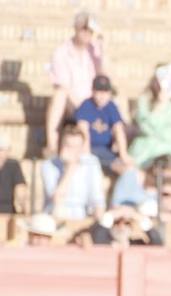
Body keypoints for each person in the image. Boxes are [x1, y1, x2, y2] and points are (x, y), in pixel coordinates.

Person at [45, 11, 109, 155]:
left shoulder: (95, 51)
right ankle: (52, 144)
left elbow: (105, 79)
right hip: (72, 102)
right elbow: (64, 86)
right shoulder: (61, 52)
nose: (87, 33)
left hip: (95, 99)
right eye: (84, 28)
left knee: (117, 97)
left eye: (90, 30)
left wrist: (103, 49)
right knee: (59, 95)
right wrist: (85, 107)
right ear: (76, 28)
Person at [130, 66, 171, 170]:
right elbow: (146, 127)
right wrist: (159, 106)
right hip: (147, 150)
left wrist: (161, 135)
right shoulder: (144, 101)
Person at [40, 123, 105, 223]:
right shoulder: (48, 165)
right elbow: (56, 198)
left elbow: (97, 199)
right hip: (54, 215)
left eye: (76, 147)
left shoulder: (91, 163)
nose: (72, 151)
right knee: (59, 210)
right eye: (68, 146)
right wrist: (70, 168)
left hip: (81, 214)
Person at [74, 74, 131, 175]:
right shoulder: (86, 105)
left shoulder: (111, 106)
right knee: (121, 169)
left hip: (106, 149)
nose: (102, 96)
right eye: (98, 92)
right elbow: (83, 130)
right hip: (91, 149)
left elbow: (118, 129)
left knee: (129, 168)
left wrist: (123, 154)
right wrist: (86, 154)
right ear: (93, 91)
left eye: (105, 92)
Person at [0, 133, 28, 215]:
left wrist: (24, 208)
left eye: (2, 150)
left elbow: (20, 188)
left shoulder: (13, 165)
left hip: (7, 211)